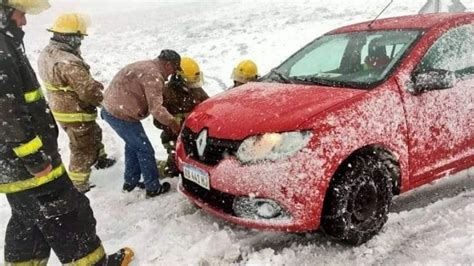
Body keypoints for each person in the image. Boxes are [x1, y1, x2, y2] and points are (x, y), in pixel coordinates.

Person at [0, 1, 133, 265]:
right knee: (68, 214)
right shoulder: (3, 50)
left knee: (28, 218)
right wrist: (35, 158)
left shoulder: (39, 51)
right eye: (21, 14)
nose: (24, 22)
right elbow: (8, 113)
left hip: (10, 164)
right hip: (28, 161)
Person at [37, 13, 116, 193]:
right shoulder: (68, 61)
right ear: (71, 37)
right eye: (79, 37)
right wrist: (104, 101)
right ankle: (78, 184)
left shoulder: (48, 52)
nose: (80, 41)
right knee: (82, 147)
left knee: (92, 132)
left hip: (61, 106)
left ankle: (100, 159)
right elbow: (87, 91)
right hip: (74, 110)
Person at [102, 49, 182, 197]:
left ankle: (130, 182)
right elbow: (156, 108)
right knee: (145, 149)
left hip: (111, 109)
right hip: (121, 115)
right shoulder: (154, 76)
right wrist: (172, 123)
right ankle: (152, 187)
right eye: (174, 69)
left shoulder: (146, 66)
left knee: (133, 145)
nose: (172, 74)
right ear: (168, 64)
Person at [154, 57, 209, 178]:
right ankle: (160, 168)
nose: (193, 84)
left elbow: (209, 105)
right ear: (179, 78)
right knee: (176, 167)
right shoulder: (166, 92)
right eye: (189, 81)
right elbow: (157, 121)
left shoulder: (196, 89)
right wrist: (176, 122)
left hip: (195, 134)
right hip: (173, 136)